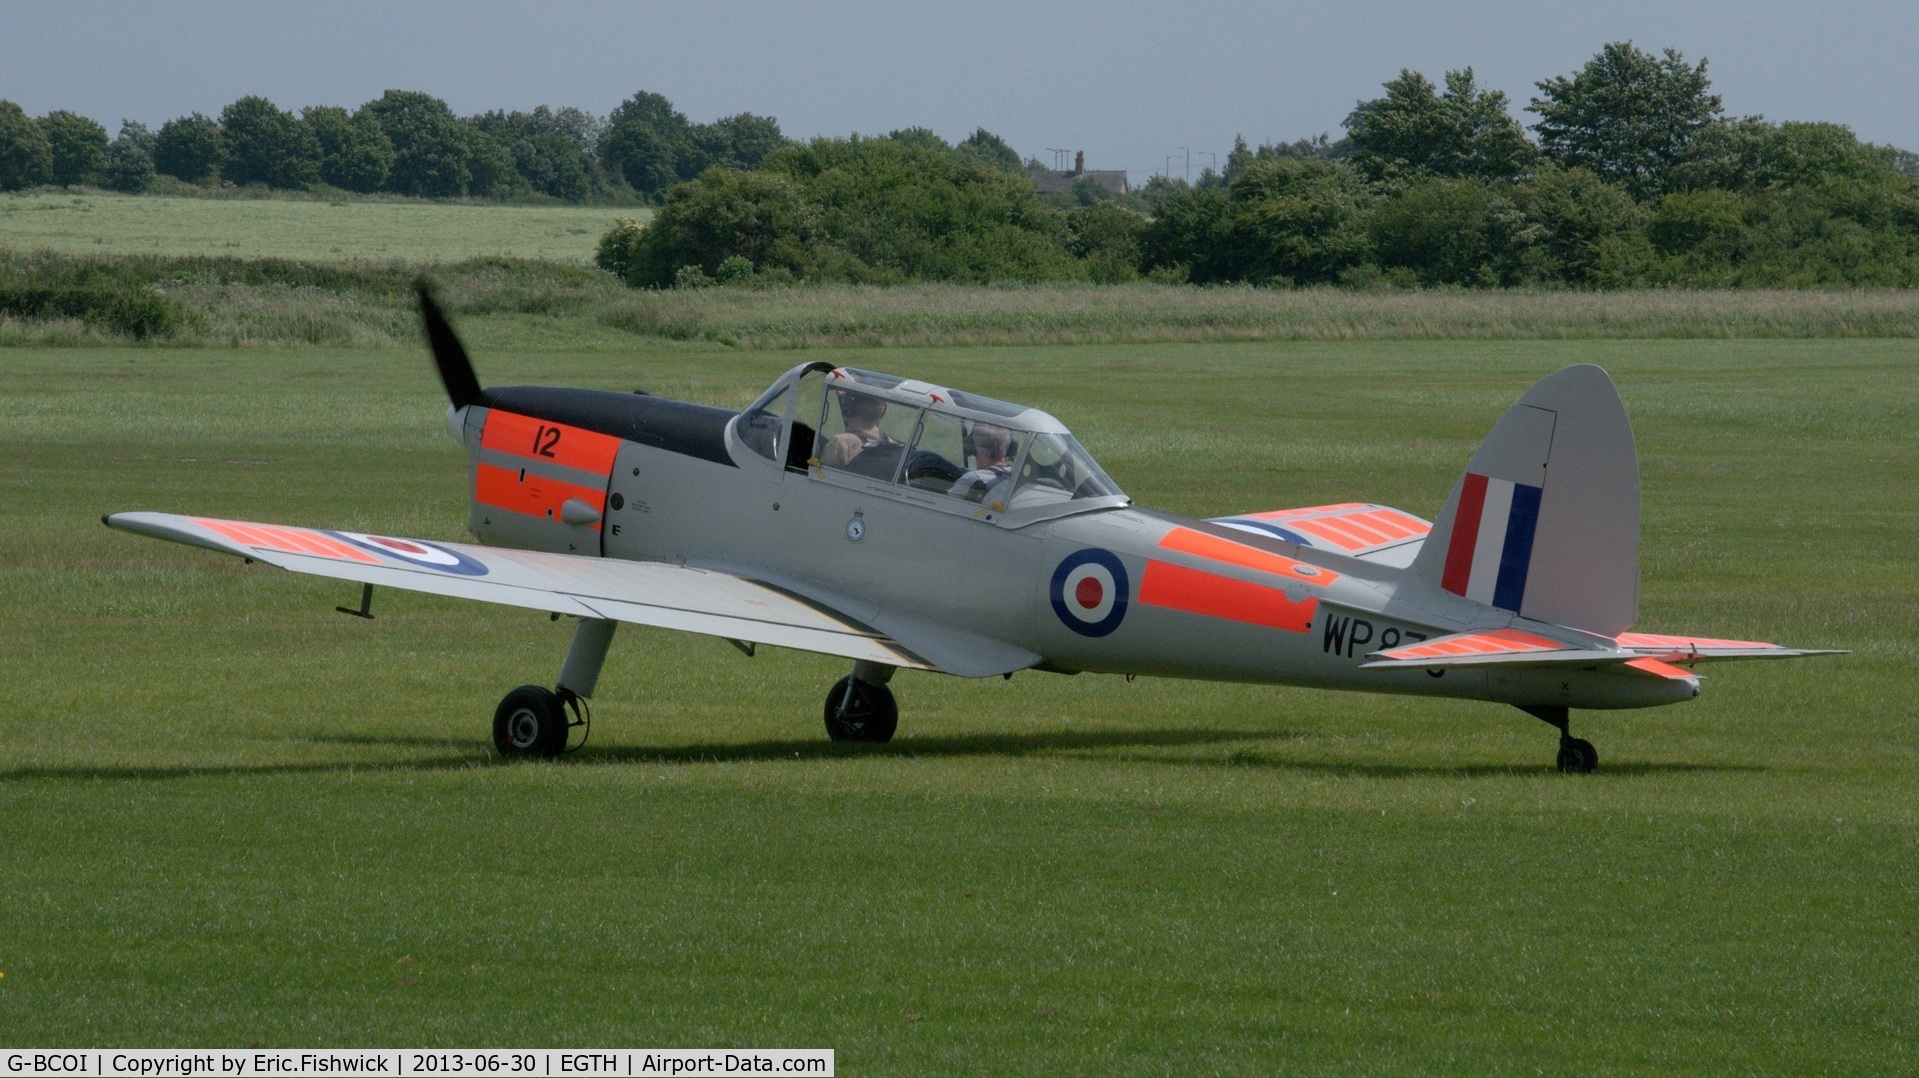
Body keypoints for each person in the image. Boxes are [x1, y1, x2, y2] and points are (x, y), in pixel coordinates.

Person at [819, 391, 898, 468]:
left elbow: (820, 477)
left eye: (846, 401)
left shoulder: (839, 442)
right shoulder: (890, 443)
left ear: (853, 407)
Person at [948, 424, 1015, 503]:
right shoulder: (1015, 477)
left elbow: (947, 506)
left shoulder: (972, 480)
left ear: (971, 446)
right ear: (1010, 447)